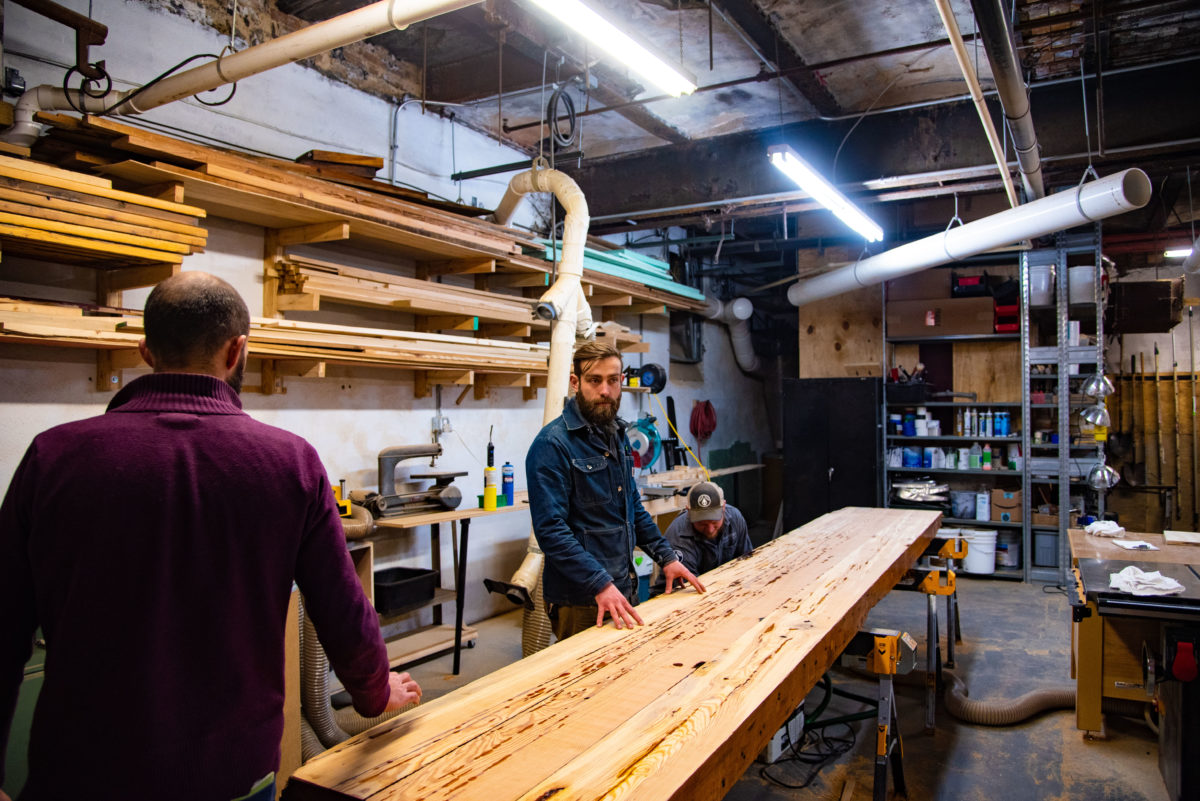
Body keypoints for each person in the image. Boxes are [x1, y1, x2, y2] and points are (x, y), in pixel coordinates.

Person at [0, 272, 420, 801]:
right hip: (230, 774)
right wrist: (374, 693)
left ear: (146, 350)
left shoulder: (52, 457)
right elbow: (342, 608)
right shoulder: (289, 462)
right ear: (237, 349)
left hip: (82, 772)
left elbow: (4, 625)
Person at [526, 340, 706, 641]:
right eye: (594, 381)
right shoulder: (552, 445)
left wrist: (667, 557)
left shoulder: (617, 434)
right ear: (575, 382)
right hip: (582, 597)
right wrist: (599, 583)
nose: (605, 391)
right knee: (583, 684)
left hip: (621, 586)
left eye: (612, 380)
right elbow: (551, 532)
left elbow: (632, 508)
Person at [661, 481, 753, 588]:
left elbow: (747, 561)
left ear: (723, 507)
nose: (710, 529)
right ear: (689, 512)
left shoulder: (735, 518)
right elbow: (690, 589)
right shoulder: (678, 536)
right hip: (681, 594)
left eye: (714, 522)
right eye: (702, 523)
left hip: (723, 586)